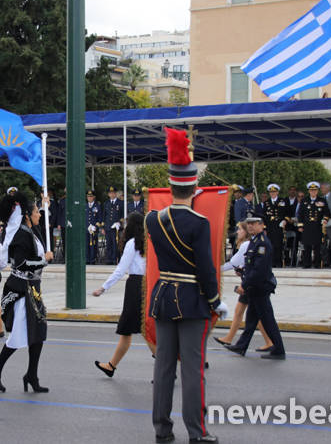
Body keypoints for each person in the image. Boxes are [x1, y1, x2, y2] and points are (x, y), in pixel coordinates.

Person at [147, 128, 228, 443]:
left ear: (170, 186)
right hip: (193, 299)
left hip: (164, 296)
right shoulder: (199, 223)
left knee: (164, 367)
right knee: (193, 370)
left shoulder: (153, 220)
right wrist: (215, 299)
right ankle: (197, 431)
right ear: (195, 188)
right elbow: (206, 271)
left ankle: (162, 429)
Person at [0, 193, 53, 393]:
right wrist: (43, 261)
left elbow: (40, 221)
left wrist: (44, 206)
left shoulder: (32, 231)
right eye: (35, 213)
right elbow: (21, 264)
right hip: (22, 289)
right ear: (26, 216)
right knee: (19, 335)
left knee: (38, 334)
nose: (39, 215)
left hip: (34, 289)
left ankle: (31, 375)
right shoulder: (21, 237)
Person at [92, 212, 153, 377]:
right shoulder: (148, 242)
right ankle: (111, 366)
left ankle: (166, 367)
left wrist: (103, 288)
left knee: (135, 329)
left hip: (135, 287)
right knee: (131, 329)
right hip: (147, 285)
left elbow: (120, 270)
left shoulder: (132, 243)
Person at [225, 209, 286, 361]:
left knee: (267, 319)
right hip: (255, 287)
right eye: (249, 224)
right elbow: (251, 266)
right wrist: (242, 272)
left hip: (260, 287)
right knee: (252, 319)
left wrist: (244, 285)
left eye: (254, 224)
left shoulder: (262, 244)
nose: (250, 226)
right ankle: (241, 346)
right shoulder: (254, 241)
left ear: (262, 225)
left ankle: (278, 349)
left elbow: (259, 270)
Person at [212, 220, 273, 351]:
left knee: (255, 315)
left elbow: (233, 264)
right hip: (247, 282)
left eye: (240, 229)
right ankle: (231, 339)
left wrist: (215, 270)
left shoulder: (246, 244)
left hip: (250, 284)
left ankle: (269, 342)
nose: (237, 232)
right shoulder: (245, 244)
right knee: (242, 312)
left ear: (245, 232)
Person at [296, 182, 330, 268]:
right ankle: (306, 263)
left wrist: (325, 220)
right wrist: (300, 225)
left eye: (315, 190)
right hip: (307, 226)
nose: (313, 192)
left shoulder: (322, 200)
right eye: (311, 190)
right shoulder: (304, 201)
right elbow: (300, 214)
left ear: (317, 191)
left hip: (318, 226)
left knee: (317, 246)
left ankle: (317, 263)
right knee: (307, 245)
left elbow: (327, 213)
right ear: (309, 191)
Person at [262, 183, 287, 268]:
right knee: (270, 245)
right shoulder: (266, 203)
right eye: (271, 192)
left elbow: (287, 214)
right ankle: (271, 262)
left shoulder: (282, 202)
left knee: (278, 245)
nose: (272, 194)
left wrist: (285, 220)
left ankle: (278, 262)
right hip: (270, 227)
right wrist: (264, 228)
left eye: (274, 192)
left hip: (279, 226)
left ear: (277, 192)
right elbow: (264, 216)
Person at [102, 186, 123, 265]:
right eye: (110, 193)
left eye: (113, 193)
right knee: (109, 244)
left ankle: (115, 259)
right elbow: (104, 216)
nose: (112, 194)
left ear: (116, 194)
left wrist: (119, 223)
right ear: (108, 194)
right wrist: (103, 227)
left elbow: (122, 215)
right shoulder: (106, 203)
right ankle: (109, 259)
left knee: (115, 244)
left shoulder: (120, 203)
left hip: (116, 228)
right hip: (108, 227)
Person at [284, 186, 300, 266]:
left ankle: (293, 260)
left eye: (294, 190)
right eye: (291, 190)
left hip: (296, 226)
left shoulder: (298, 201)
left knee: (295, 244)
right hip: (287, 225)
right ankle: (286, 259)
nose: (292, 192)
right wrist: (288, 219)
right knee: (286, 244)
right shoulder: (285, 200)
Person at [86, 190, 102, 265]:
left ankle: (92, 259)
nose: (89, 198)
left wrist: (95, 226)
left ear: (94, 197)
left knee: (93, 244)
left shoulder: (97, 206)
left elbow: (99, 218)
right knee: (86, 244)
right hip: (86, 229)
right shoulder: (84, 206)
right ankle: (87, 259)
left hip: (93, 229)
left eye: (91, 196)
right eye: (88, 196)